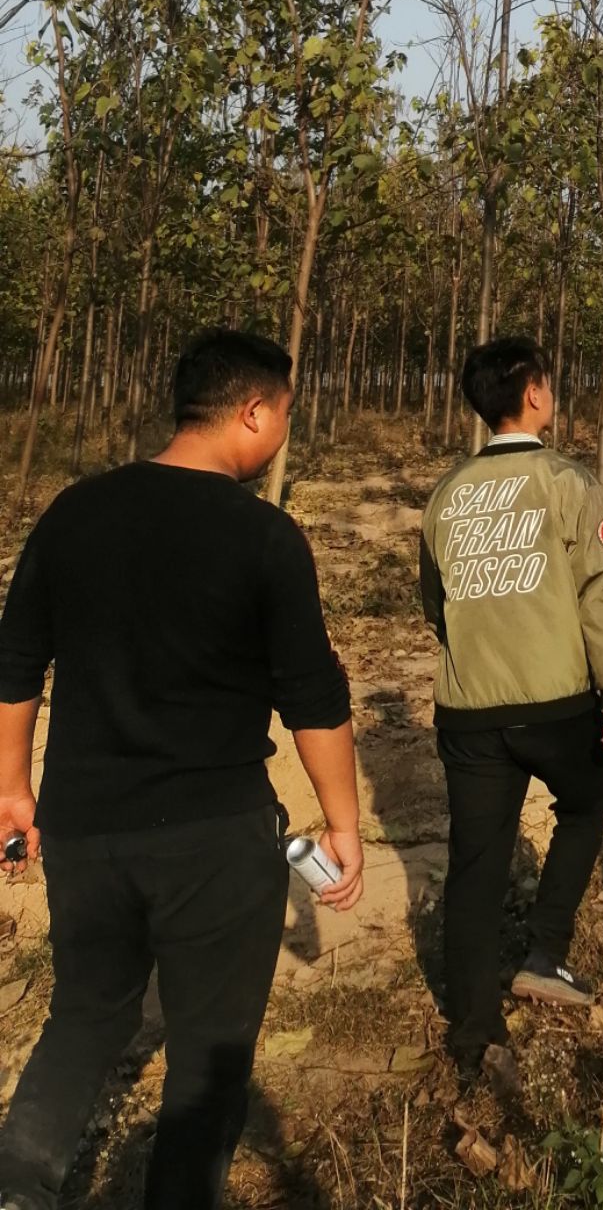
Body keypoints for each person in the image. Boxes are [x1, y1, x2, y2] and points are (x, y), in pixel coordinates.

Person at [0, 329, 361, 1210]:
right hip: (215, 838)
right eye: (282, 414)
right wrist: (343, 822)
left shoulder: (73, 512)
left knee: (85, 1015)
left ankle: (16, 1188)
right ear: (251, 411)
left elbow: (14, 666)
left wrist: (12, 788)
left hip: (86, 828)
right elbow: (313, 698)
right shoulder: (265, 537)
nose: (282, 430)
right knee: (208, 1056)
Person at [420, 337, 603, 1090]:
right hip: (555, 703)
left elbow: (435, 604)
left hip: (469, 711)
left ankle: (474, 1032)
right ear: (536, 394)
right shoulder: (567, 483)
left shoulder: (446, 496)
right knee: (586, 805)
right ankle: (545, 951)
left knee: (475, 864)